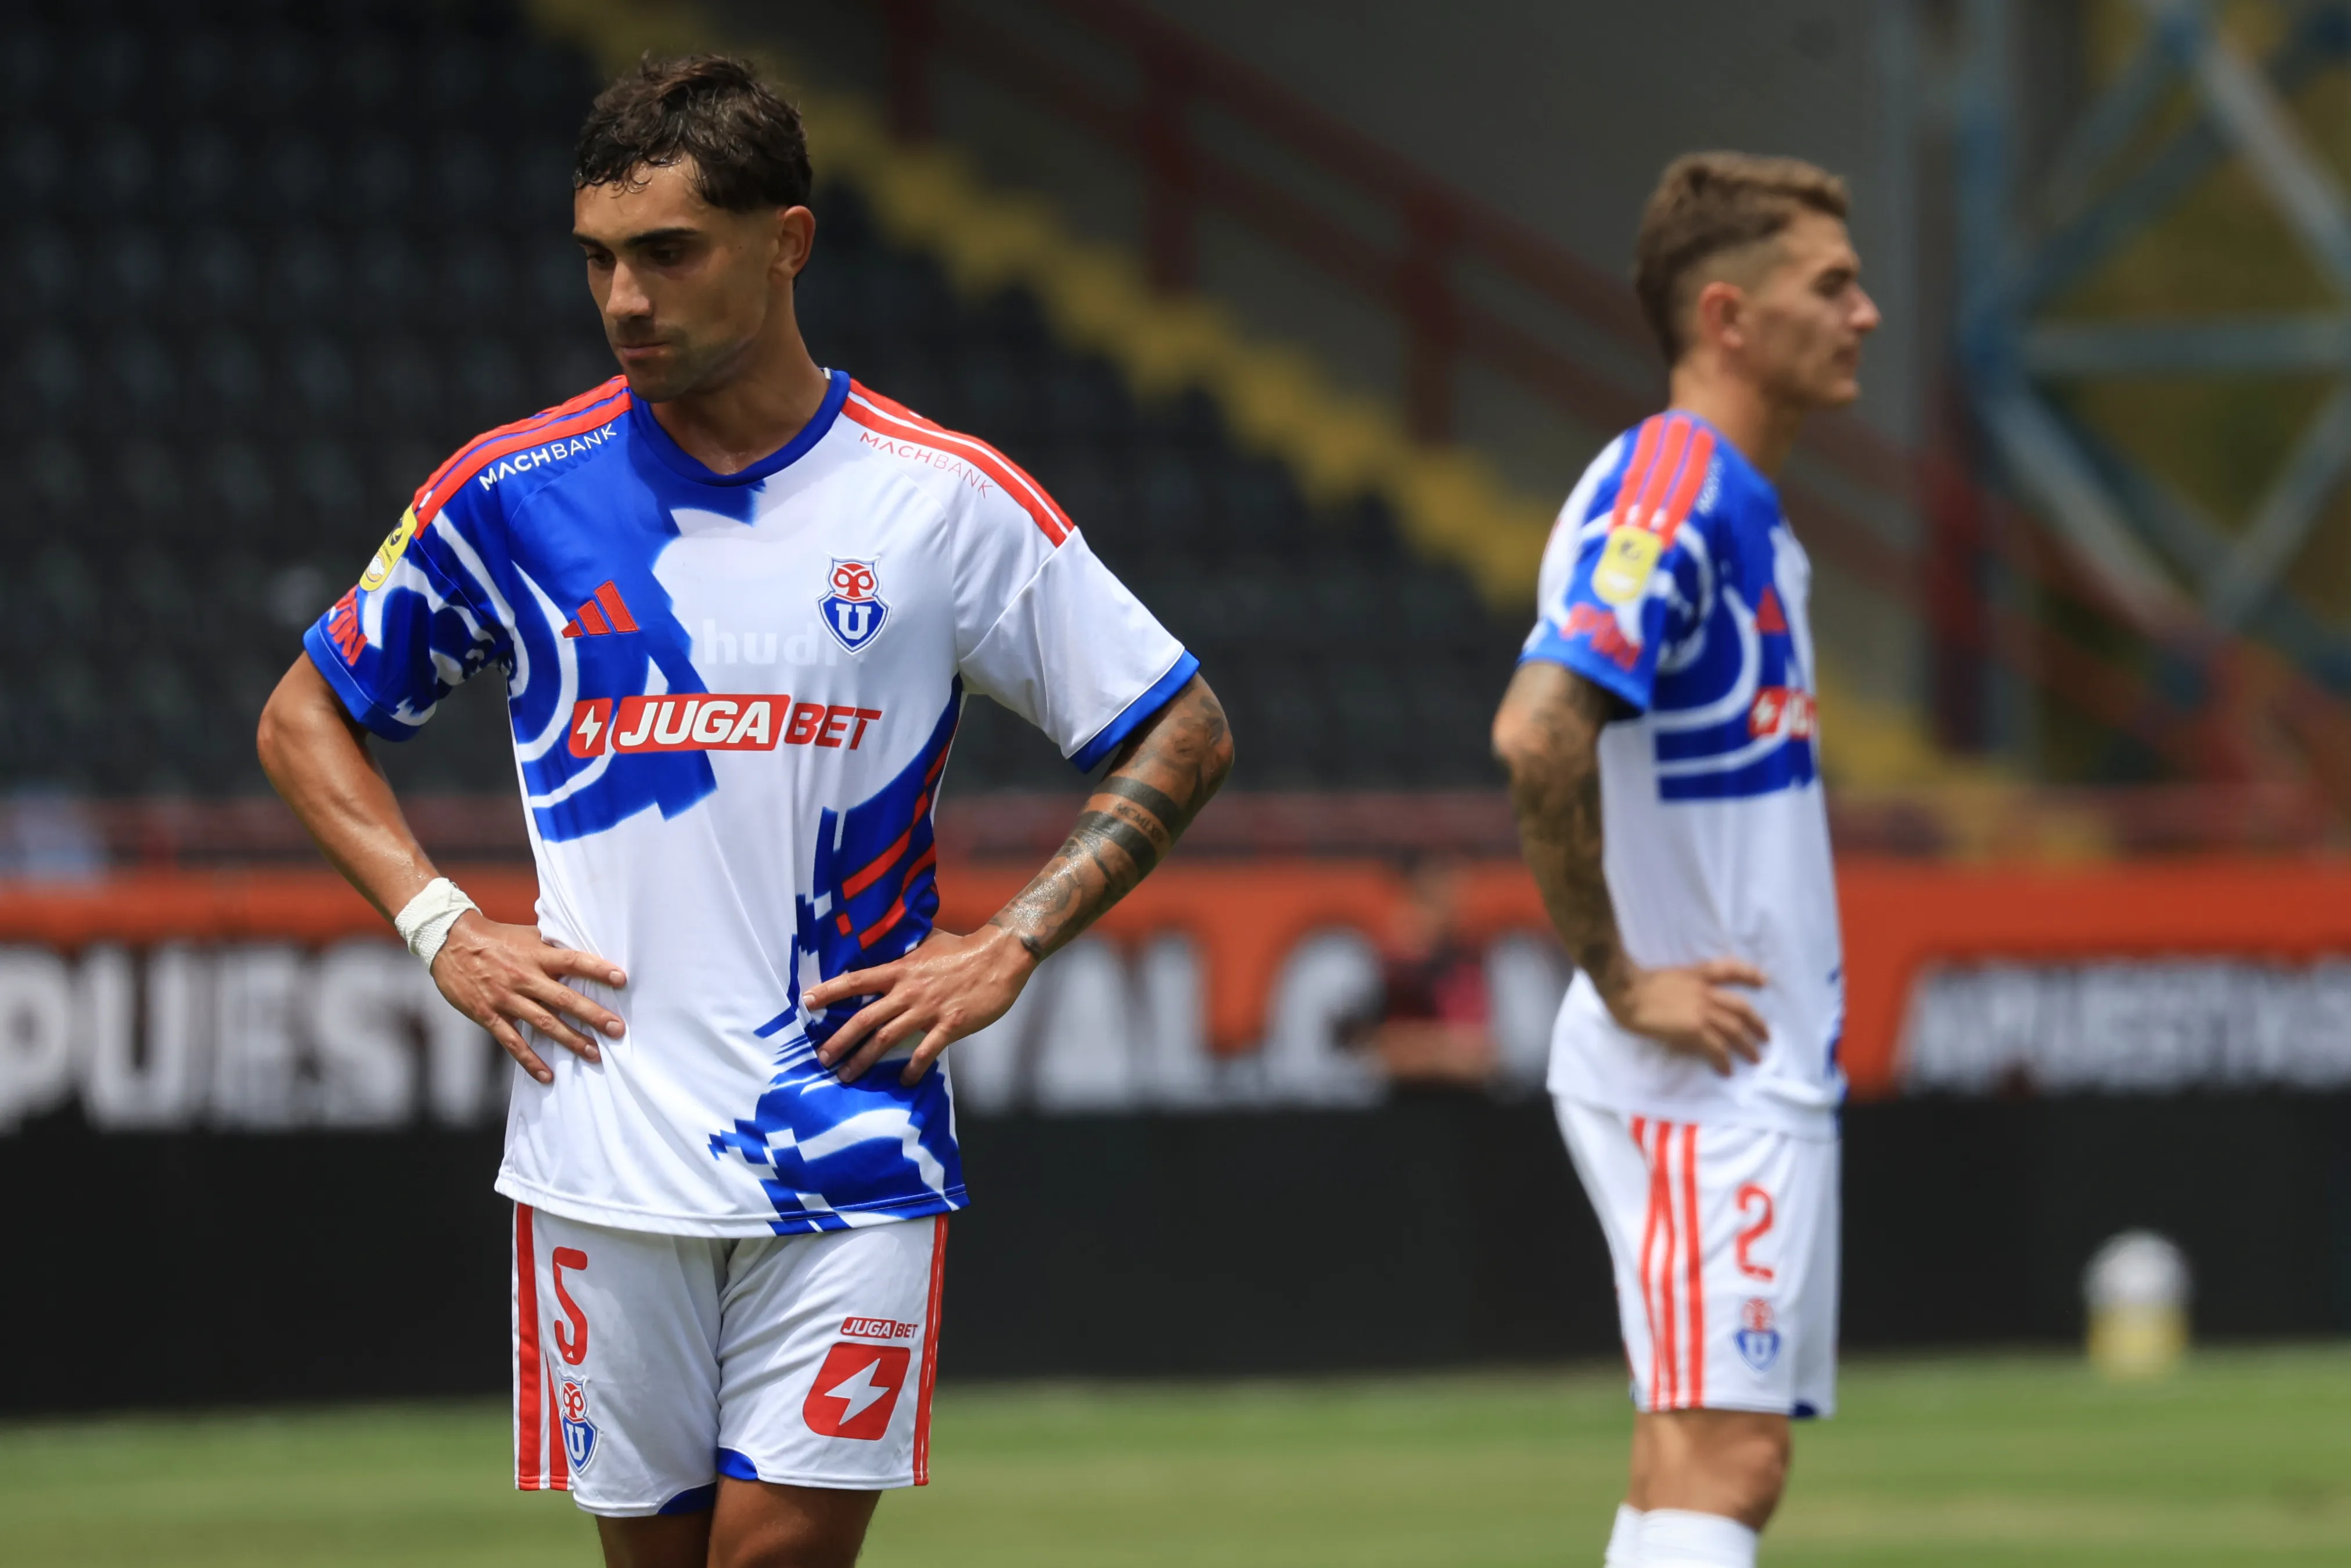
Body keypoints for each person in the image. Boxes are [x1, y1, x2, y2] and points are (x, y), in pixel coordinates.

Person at [257, 55, 1231, 1568]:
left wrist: (1016, 942)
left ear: (789, 242)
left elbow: (1183, 721)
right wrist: (439, 920)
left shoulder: (938, 497)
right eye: (598, 260)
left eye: (668, 253)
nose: (626, 300)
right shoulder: (514, 493)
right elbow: (306, 714)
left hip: (845, 1127)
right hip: (602, 1135)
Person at [1490, 152, 1878, 1568]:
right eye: (1829, 285)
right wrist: (1622, 977)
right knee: (1730, 1453)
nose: (1865, 314)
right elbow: (1539, 730)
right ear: (1725, 316)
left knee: (1694, 1452)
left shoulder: (1742, 508)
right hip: (1699, 1061)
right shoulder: (1675, 484)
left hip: (1732, 1060)